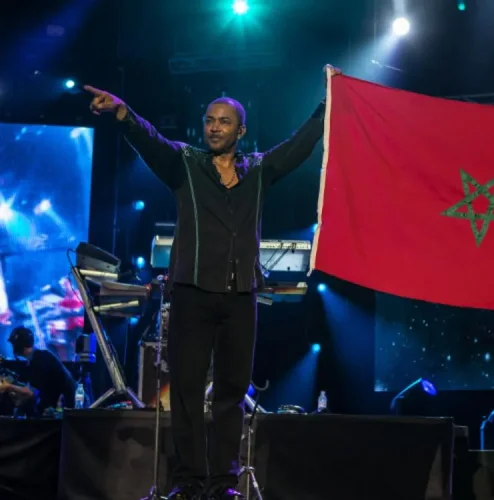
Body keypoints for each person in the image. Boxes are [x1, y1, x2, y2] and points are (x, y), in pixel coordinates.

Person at [83, 64, 341, 500]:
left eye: (224, 122)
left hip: (240, 296)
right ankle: (187, 482)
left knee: (230, 393)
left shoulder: (259, 169)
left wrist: (326, 103)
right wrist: (122, 111)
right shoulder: (185, 163)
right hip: (191, 293)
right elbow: (149, 140)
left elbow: (299, 147)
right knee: (185, 393)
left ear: (241, 130)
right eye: (209, 120)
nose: (214, 127)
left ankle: (221, 482)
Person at [0, 326, 77, 415]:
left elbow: (30, 393)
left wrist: (8, 386)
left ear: (19, 345)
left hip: (66, 409)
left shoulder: (40, 360)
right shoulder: (36, 358)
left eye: (14, 344)